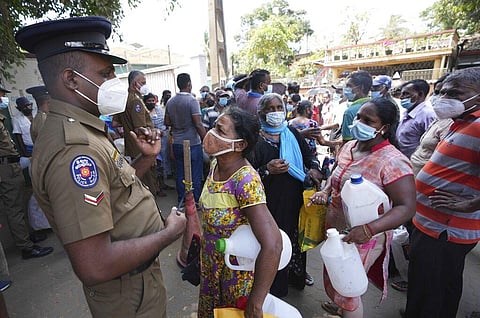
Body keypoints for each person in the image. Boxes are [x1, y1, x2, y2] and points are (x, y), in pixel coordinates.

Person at [15, 16, 186, 317]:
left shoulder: (84, 129)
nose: (113, 83)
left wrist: (145, 159)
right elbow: (95, 264)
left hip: (135, 283)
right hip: (128, 294)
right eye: (105, 74)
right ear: (71, 79)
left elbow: (115, 189)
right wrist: (169, 234)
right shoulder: (74, 149)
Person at [309, 97, 416, 318]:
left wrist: (368, 230)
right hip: (338, 229)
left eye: (368, 120)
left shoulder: (392, 161)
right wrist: (326, 190)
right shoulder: (349, 146)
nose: (359, 122)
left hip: (366, 237)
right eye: (359, 117)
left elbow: (406, 207)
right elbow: (336, 175)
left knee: (350, 288)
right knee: (336, 276)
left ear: (384, 128)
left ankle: (346, 311)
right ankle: (340, 308)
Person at [405, 67, 480, 318]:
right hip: (431, 224)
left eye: (456, 93)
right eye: (443, 92)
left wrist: (470, 204)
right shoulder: (461, 123)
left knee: (434, 290)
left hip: (446, 230)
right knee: (427, 283)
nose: (445, 98)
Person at [198, 106, 282, 318]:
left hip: (236, 277)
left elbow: (273, 244)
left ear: (240, 145)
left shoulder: (245, 181)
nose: (211, 133)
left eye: (220, 130)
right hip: (211, 269)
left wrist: (255, 302)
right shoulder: (216, 164)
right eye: (214, 127)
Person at [248, 93, 323, 297]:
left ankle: (295, 276)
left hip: (294, 198)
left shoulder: (291, 132)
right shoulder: (255, 140)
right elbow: (246, 174)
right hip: (268, 203)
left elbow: (310, 156)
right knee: (273, 241)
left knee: (294, 238)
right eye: (269, 109)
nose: (275, 112)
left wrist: (314, 168)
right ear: (261, 113)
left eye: (278, 107)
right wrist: (266, 169)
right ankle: (273, 284)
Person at [0, 82, 53, 260]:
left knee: (18, 205)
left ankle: (27, 238)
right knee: (14, 208)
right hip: (6, 167)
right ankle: (26, 247)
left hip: (12, 166)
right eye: (0, 94)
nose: (2, 98)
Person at [112, 70, 158, 196]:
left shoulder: (124, 100)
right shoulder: (136, 101)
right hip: (142, 147)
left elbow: (115, 123)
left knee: (140, 180)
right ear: (135, 84)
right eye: (143, 83)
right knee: (148, 184)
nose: (145, 85)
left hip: (132, 146)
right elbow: (140, 128)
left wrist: (127, 126)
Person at [165, 73, 206, 204]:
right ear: (189, 84)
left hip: (177, 142)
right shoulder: (192, 101)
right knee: (195, 174)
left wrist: (179, 122)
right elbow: (198, 123)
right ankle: (195, 201)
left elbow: (167, 122)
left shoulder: (170, 101)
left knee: (180, 172)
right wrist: (206, 139)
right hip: (192, 143)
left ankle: (182, 200)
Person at [396, 79, 437, 158]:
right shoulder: (407, 112)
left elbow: (431, 144)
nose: (401, 97)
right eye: (401, 94)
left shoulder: (428, 115)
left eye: (406, 94)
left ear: (420, 95)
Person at [144, 93, 172, 197]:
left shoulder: (159, 110)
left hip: (163, 140)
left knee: (163, 163)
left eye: (153, 101)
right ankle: (156, 188)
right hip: (152, 142)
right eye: (149, 101)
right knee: (155, 165)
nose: (151, 103)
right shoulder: (144, 113)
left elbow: (164, 121)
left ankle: (163, 184)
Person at [341, 71, 373, 143]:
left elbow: (347, 141)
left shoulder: (350, 112)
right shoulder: (377, 105)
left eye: (349, 86)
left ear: (361, 87)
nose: (345, 89)